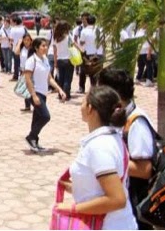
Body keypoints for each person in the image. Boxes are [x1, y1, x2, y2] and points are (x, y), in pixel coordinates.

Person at [56, 85, 137, 230]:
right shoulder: (111, 138)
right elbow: (100, 187)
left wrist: (73, 208)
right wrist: (76, 188)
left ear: (90, 109)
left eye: (82, 102)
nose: (80, 107)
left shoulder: (99, 147)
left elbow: (117, 199)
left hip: (108, 225)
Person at [98, 69, 154, 230]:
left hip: (136, 207)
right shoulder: (119, 118)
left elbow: (144, 169)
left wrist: (107, 166)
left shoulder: (136, 123)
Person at [24, 37, 66, 152]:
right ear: (36, 48)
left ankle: (34, 142)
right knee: (45, 116)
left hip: (43, 93)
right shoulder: (31, 61)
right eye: (43, 46)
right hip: (34, 92)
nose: (45, 48)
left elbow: (49, 78)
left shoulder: (45, 59)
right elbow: (27, 80)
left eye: (46, 45)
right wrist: (33, 95)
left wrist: (59, 89)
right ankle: (31, 137)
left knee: (37, 117)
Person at [53, 21, 74, 100]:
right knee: (67, 79)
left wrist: (55, 62)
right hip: (68, 60)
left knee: (61, 78)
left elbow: (55, 52)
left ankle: (60, 94)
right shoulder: (68, 37)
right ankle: (66, 94)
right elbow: (73, 46)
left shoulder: (56, 38)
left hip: (59, 60)